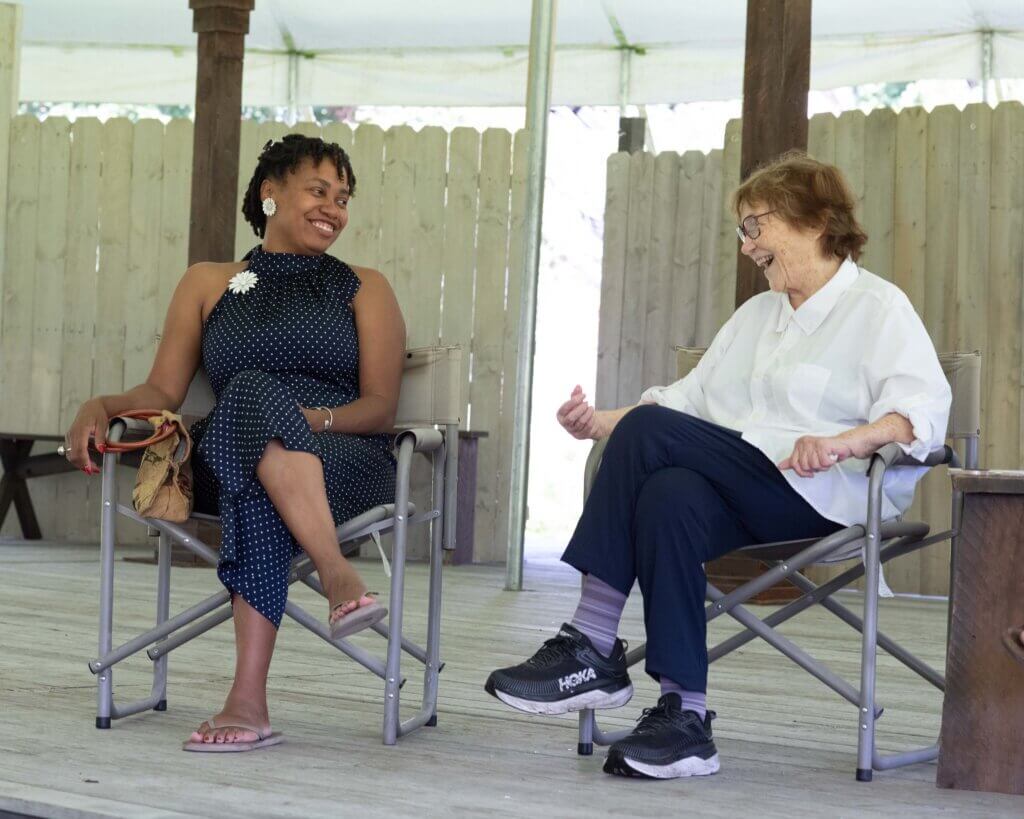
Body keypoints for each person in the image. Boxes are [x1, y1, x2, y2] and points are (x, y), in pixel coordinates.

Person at [485, 151, 952, 780]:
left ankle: (592, 641)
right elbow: (684, 404)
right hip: (744, 492)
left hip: (824, 497)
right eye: (742, 230)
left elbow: (919, 415)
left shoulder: (878, 308)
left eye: (756, 226)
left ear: (815, 222)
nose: (746, 245)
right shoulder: (757, 316)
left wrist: (845, 441)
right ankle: (685, 717)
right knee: (669, 495)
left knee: (656, 443)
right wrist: (598, 425)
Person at [63, 135, 406, 752]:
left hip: (343, 458)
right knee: (250, 397)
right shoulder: (209, 281)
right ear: (270, 192)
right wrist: (101, 405)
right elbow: (162, 388)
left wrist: (304, 418)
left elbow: (381, 407)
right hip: (230, 449)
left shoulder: (365, 287)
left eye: (344, 197)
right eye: (319, 190)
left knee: (263, 466)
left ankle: (247, 701)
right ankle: (338, 575)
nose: (334, 208)